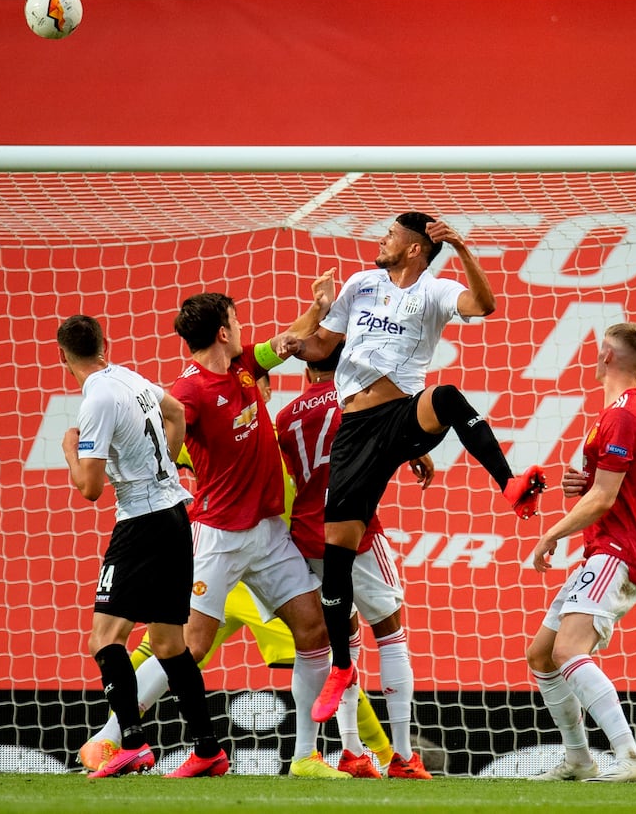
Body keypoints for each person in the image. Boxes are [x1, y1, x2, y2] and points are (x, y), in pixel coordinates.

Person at [282, 212, 548, 723]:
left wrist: (465, 249)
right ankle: (341, 667)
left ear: (412, 250)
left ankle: (510, 483)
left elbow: (485, 305)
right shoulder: (360, 284)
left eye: (390, 236)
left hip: (400, 413)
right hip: (355, 431)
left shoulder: (434, 292)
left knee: (445, 396)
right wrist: (312, 318)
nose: (380, 241)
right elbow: (319, 349)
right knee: (336, 562)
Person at [81, 371, 397, 775]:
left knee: (318, 637)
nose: (258, 389)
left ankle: (322, 755)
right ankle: (111, 736)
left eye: (259, 384)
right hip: (220, 549)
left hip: (266, 556)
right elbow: (174, 433)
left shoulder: (274, 437)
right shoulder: (216, 426)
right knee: (181, 646)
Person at [57, 314, 229, 779]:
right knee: (169, 643)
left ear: (62, 356)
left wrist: (71, 452)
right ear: (104, 345)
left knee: (104, 638)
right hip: (175, 515)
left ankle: (131, 741)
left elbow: (91, 488)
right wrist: (164, 468)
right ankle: (208, 748)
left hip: (141, 521)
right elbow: (175, 411)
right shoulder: (128, 377)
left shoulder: (96, 398)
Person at [276, 340, 432, 780]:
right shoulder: (358, 401)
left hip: (308, 538)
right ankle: (402, 755)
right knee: (390, 632)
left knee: (343, 641)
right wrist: (416, 451)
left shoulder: (285, 419)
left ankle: (351, 750)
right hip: (356, 532)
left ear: (307, 371)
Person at [525, 323, 636, 783]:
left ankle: (629, 758)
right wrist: (577, 484)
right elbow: (601, 489)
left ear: (606, 357)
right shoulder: (613, 415)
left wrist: (550, 535)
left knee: (567, 649)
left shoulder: (623, 414)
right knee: (541, 655)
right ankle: (579, 759)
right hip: (603, 548)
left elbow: (604, 498)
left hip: (619, 550)